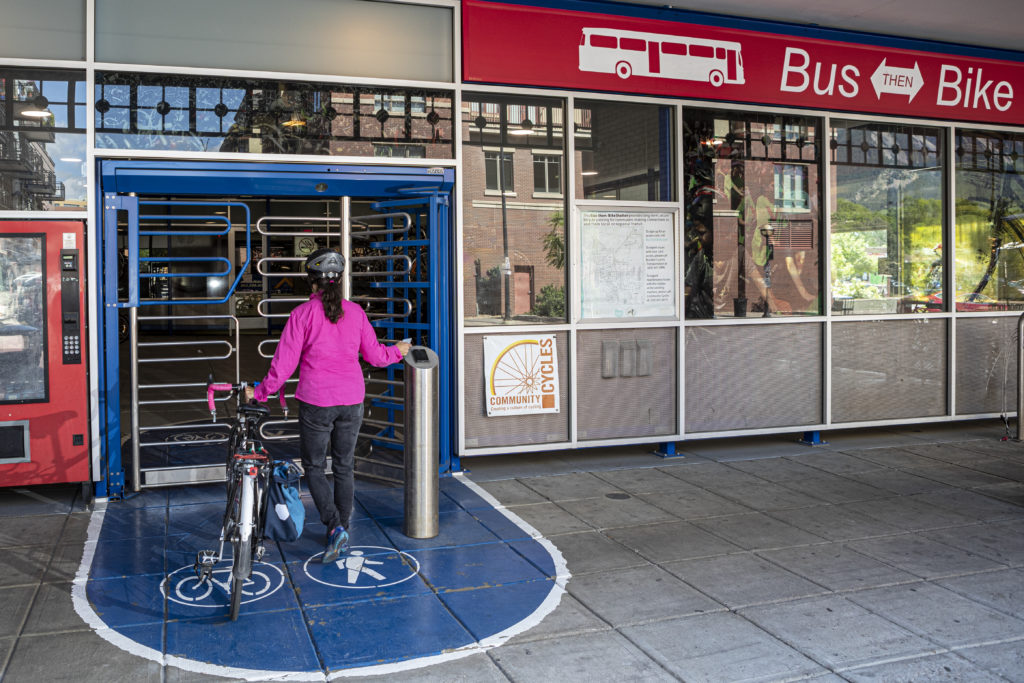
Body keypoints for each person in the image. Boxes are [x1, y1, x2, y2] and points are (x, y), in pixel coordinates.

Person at [252, 248, 410, 563]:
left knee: (314, 466)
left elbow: (282, 369)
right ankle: (342, 528)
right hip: (352, 400)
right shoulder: (356, 313)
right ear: (340, 281)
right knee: (343, 466)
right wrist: (399, 350)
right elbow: (376, 356)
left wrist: (258, 394)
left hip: (316, 402)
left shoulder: (302, 315)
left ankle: (334, 526)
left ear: (312, 282)